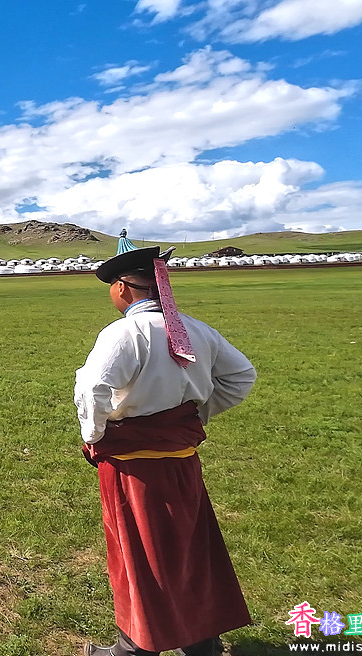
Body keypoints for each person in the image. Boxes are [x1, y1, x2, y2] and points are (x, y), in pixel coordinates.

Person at [75, 246, 257, 656]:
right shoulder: (198, 330)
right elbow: (241, 376)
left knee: (141, 554)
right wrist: (191, 416)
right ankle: (201, 641)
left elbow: (93, 389)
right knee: (188, 549)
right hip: (182, 462)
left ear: (122, 288)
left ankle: (135, 648)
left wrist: (94, 435)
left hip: (134, 469)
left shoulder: (124, 334)